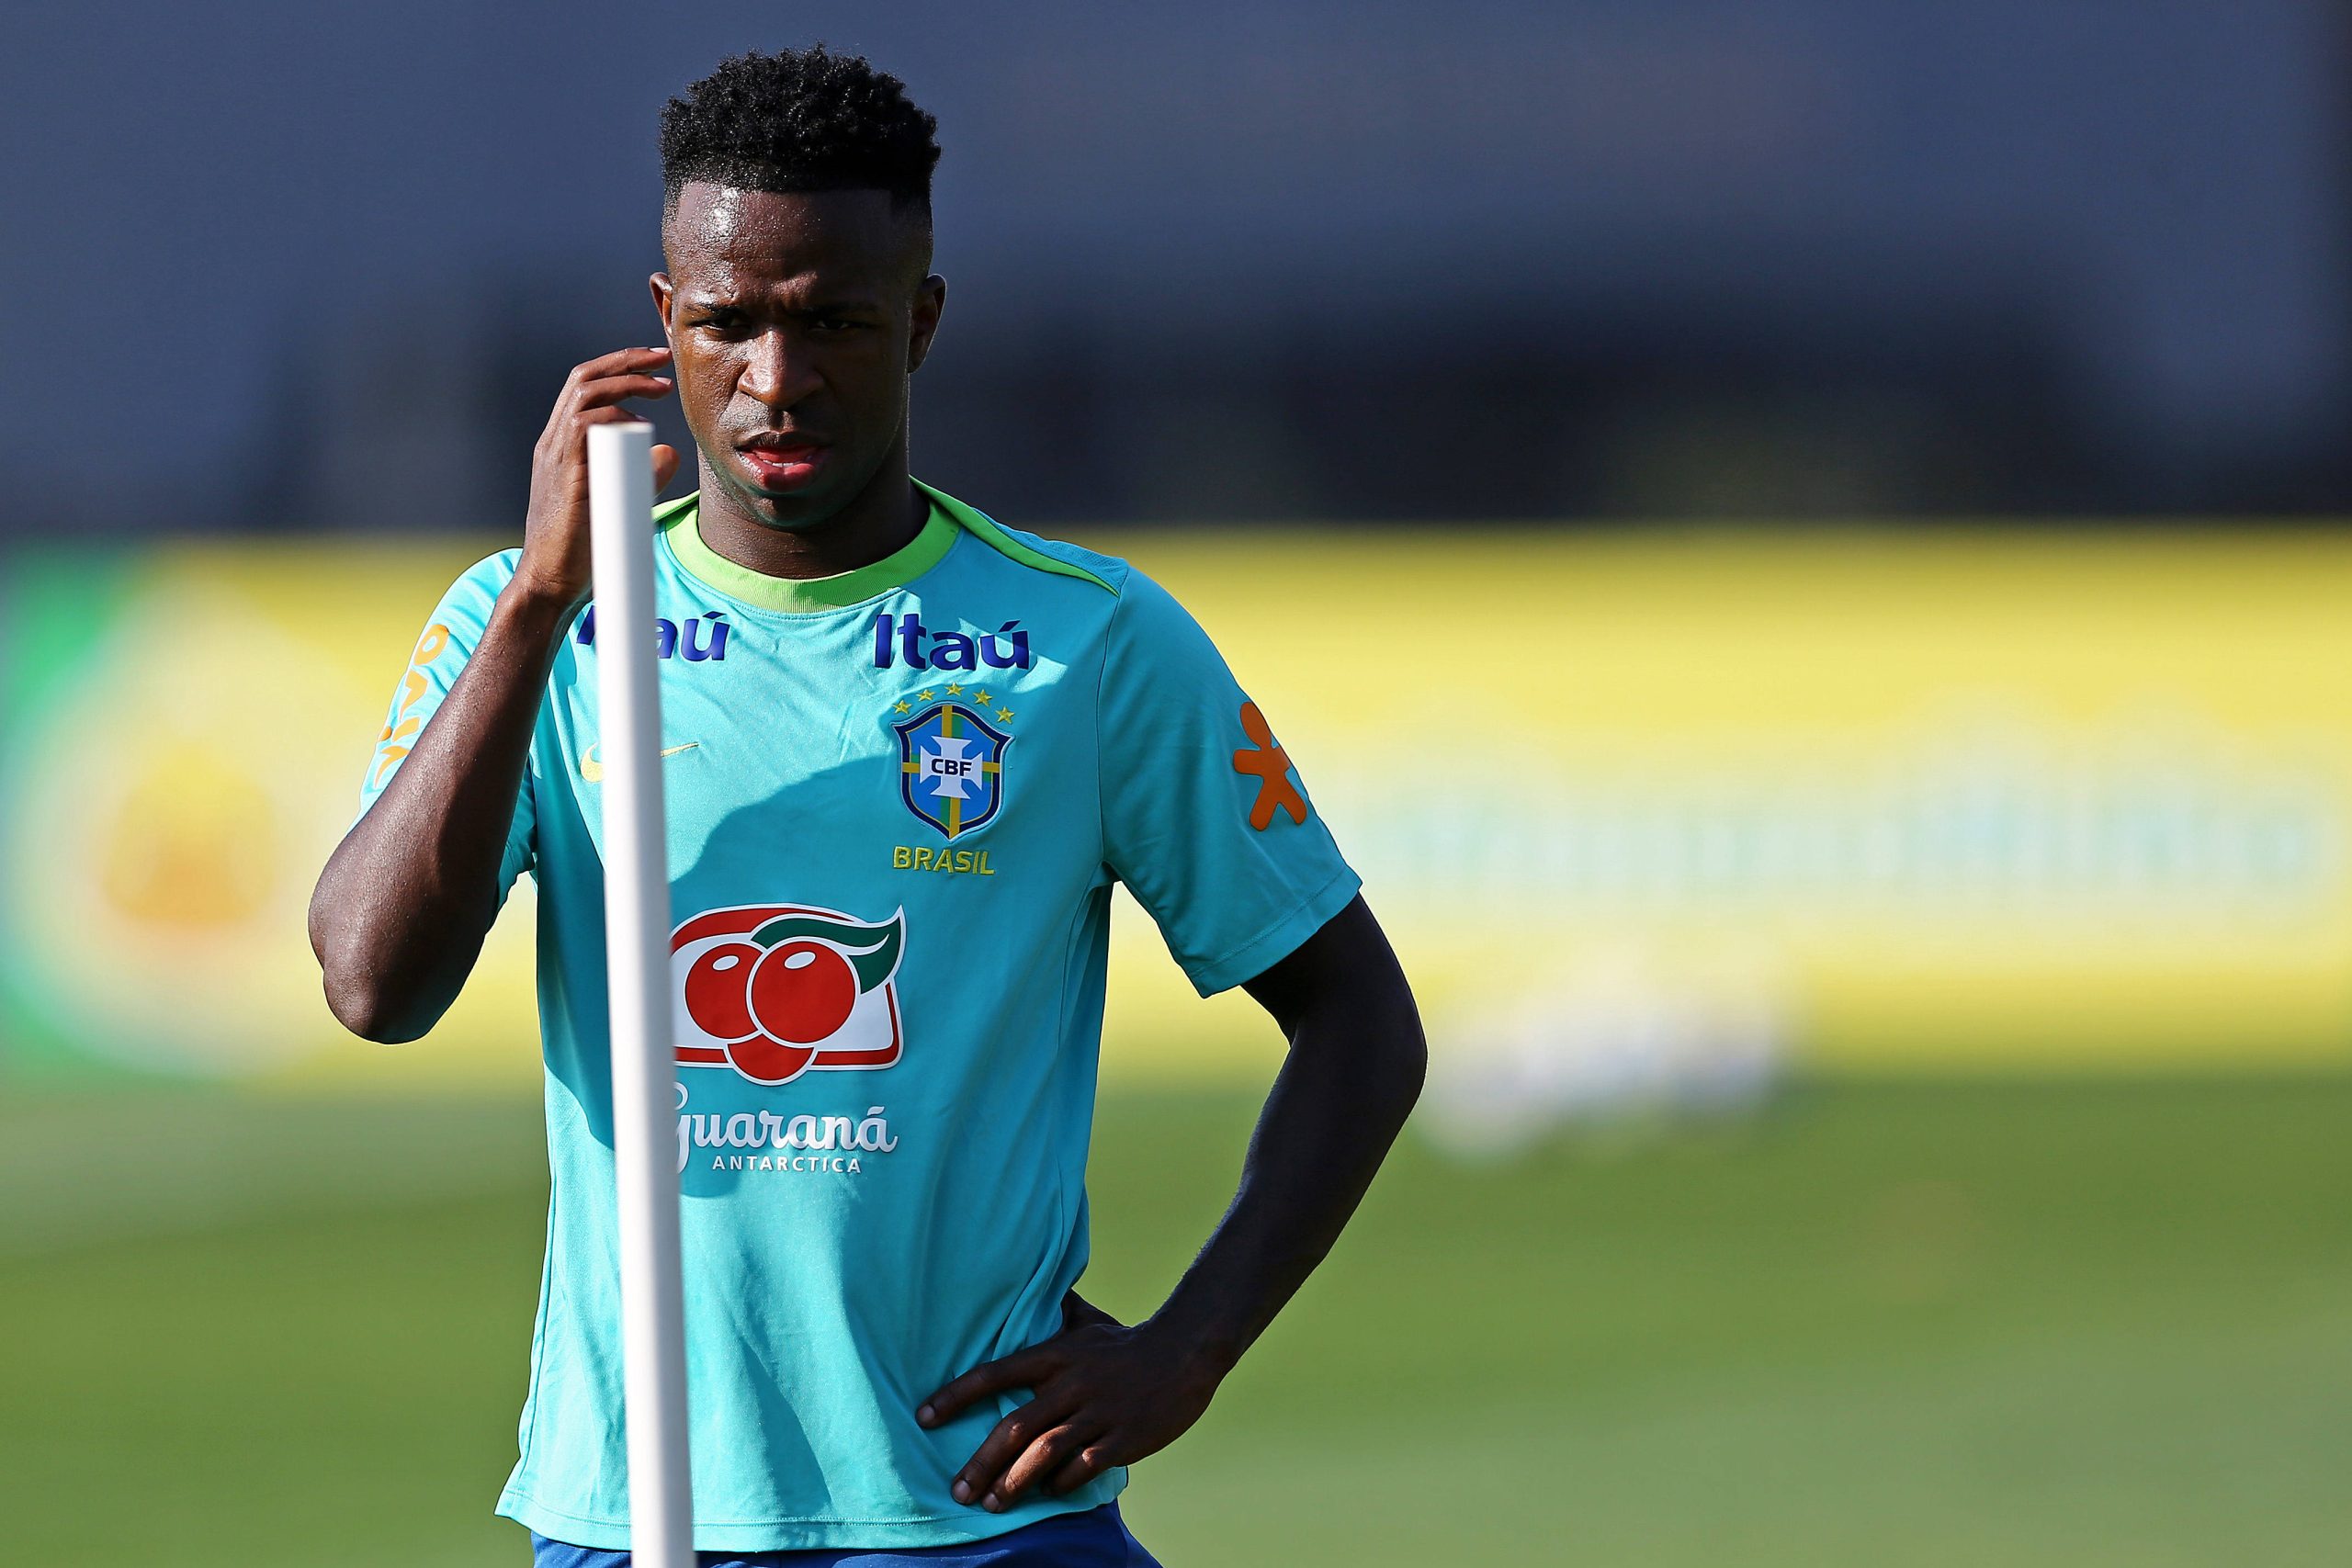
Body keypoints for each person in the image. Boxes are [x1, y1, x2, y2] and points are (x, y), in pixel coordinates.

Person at [309, 45, 1424, 1567]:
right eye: (729, 324)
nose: (777, 380)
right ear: (666, 322)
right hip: (637, 1514)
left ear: (922, 320)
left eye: (832, 319)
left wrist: (1190, 1348)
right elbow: (373, 987)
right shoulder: (536, 625)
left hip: (980, 1518)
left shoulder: (1086, 643)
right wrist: (536, 611)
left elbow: (1362, 1021)